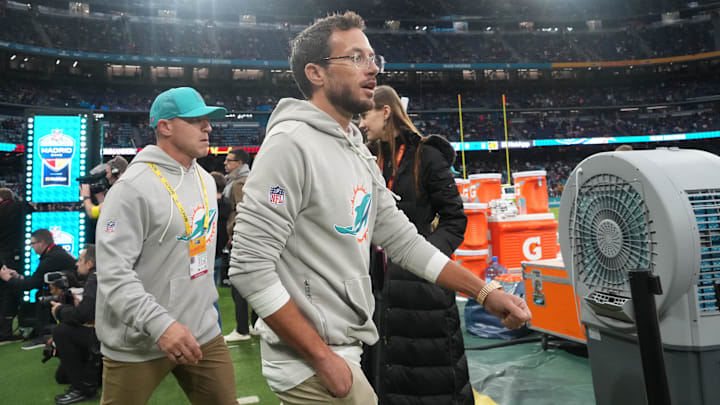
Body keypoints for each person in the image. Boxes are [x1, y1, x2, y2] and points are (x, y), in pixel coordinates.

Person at [228, 11, 530, 405]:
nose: (372, 69)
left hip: (345, 351)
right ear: (316, 73)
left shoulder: (353, 148)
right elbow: (248, 267)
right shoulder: (290, 144)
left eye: (373, 58)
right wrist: (321, 358)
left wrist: (485, 292)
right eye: (355, 58)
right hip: (314, 363)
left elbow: (405, 240)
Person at [95, 87, 237, 405]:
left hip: (201, 330)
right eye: (196, 120)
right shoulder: (131, 189)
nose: (208, 127)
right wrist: (161, 325)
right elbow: (113, 275)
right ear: (165, 127)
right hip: (138, 340)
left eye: (208, 120)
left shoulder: (202, 177)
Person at [359, 85, 472, 404]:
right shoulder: (370, 159)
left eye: (366, 114)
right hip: (377, 288)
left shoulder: (427, 155)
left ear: (385, 112)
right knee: (383, 376)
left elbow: (455, 219)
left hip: (423, 290)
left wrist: (422, 260)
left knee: (429, 381)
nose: (362, 124)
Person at [0, 228, 77, 344]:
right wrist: (18, 277)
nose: (31, 247)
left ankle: (44, 334)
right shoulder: (55, 253)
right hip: (71, 291)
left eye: (32, 243)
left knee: (41, 296)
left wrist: (8, 279)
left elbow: (30, 285)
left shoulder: (51, 258)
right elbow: (37, 280)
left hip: (70, 294)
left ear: (41, 243)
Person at [51, 244, 100, 405]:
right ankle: (92, 376)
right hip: (120, 335)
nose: (76, 264)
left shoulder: (94, 278)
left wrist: (60, 311)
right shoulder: (104, 276)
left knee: (61, 331)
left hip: (108, 339)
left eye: (80, 260)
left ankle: (83, 388)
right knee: (62, 375)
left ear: (90, 264)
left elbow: (82, 316)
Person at [222, 150, 252, 343]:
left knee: (238, 283)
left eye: (229, 160)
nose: (225, 163)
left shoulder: (239, 183)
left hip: (240, 237)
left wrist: (234, 233)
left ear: (239, 162)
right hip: (245, 236)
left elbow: (242, 210)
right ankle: (254, 324)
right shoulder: (244, 179)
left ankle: (242, 329)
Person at [0, 187, 25, 341]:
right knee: (10, 291)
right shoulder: (16, 208)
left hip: (2, 253)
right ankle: (5, 331)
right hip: (11, 254)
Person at [80, 156, 128, 220]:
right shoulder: (125, 187)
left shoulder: (118, 192)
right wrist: (100, 197)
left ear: (115, 172)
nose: (106, 176)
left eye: (107, 173)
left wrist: (86, 196)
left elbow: (92, 212)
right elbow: (106, 212)